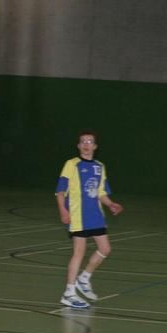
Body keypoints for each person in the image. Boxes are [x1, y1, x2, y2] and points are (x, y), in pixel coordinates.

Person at [55, 130, 123, 309]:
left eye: (90, 141)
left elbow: (101, 192)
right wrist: (63, 210)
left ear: (95, 146)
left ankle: (84, 278)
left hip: (95, 215)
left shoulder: (100, 166)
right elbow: (60, 190)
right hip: (78, 215)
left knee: (105, 249)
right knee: (79, 252)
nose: (86, 144)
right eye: (83, 141)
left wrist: (110, 204)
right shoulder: (71, 164)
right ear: (79, 146)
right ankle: (69, 293)